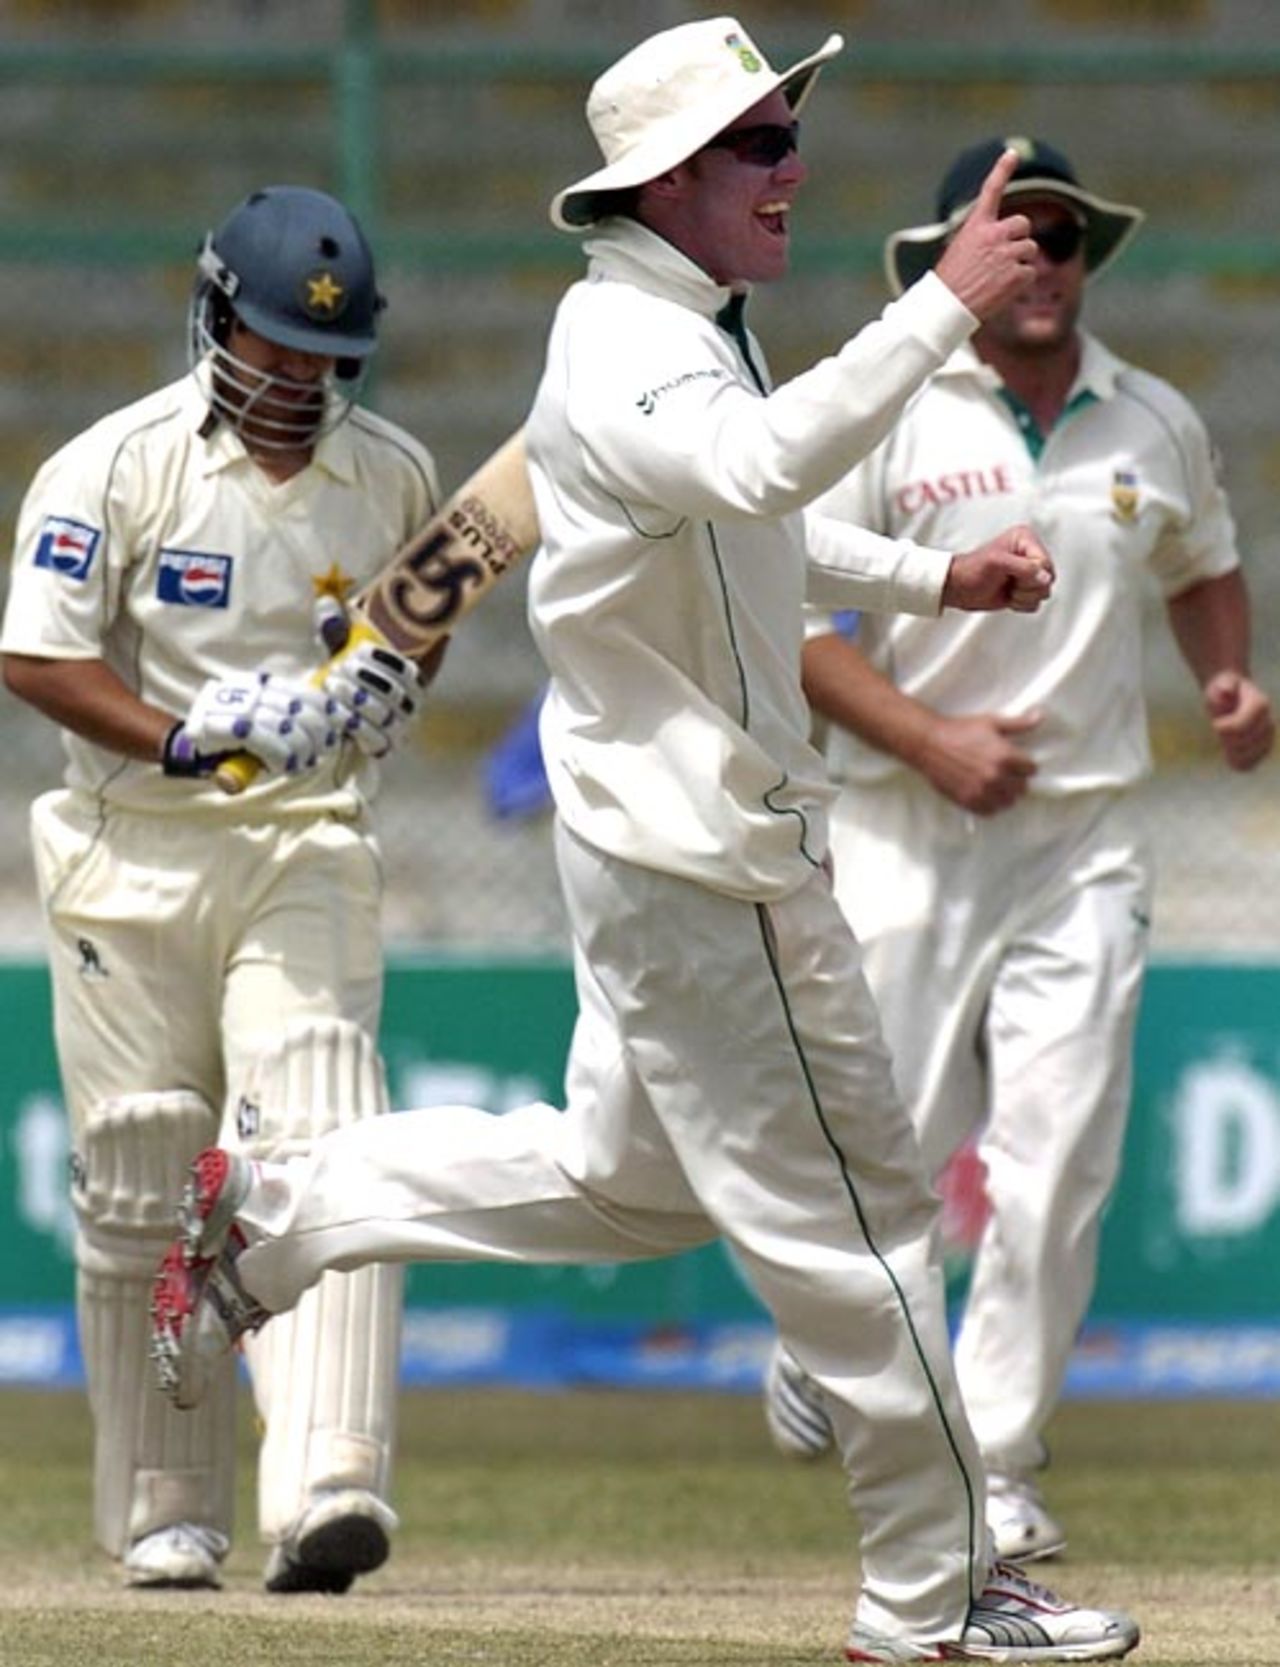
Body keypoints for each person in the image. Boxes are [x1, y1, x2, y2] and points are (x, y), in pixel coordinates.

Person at [149, 25, 1140, 1662]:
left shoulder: (669, 326)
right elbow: (748, 462)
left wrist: (930, 582)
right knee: (872, 1223)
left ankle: (288, 1208)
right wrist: (943, 300)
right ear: (667, 178)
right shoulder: (628, 344)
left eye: (789, 131)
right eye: (760, 142)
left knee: (619, 1183)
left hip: (655, 840)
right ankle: (936, 1598)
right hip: (707, 856)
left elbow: (741, 512)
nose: (793, 166)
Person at [762, 136, 1274, 1562]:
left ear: (1088, 256)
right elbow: (790, 624)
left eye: (1061, 233)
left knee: (1053, 1167)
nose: (1040, 256)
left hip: (1084, 835)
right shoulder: (887, 413)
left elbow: (1207, 570)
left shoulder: (1153, 420)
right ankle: (826, 1334)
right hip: (906, 822)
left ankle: (992, 1463)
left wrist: (1225, 684)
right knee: (897, 1148)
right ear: (953, 259)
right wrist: (928, 738)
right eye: (1012, 233)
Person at [0, 184, 441, 1593]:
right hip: (128, 851)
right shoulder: (113, 467)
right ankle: (163, 1494)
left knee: (316, 1128)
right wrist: (196, 735)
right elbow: (38, 658)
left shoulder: (393, 475)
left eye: (327, 357)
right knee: (148, 1166)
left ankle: (329, 1479)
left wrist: (373, 691)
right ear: (215, 321)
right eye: (275, 347)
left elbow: (404, 640)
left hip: (302, 845)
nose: (301, 377)